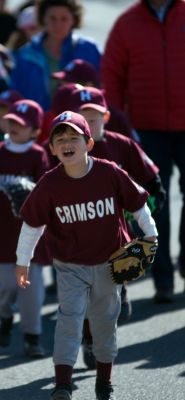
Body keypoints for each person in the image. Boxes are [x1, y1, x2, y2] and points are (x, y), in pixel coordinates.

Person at [15, 111, 158, 400]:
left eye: (74, 138)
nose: (67, 144)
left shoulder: (109, 172)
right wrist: (23, 261)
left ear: (88, 143)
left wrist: (151, 234)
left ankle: (104, 383)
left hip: (110, 264)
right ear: (52, 149)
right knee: (69, 320)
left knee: (105, 324)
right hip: (70, 266)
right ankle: (63, 385)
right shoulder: (49, 184)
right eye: (60, 139)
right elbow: (32, 225)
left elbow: (138, 202)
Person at [69, 86, 165, 370]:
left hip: (118, 237)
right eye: (82, 118)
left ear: (106, 117)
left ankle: (118, 298)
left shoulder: (122, 145)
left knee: (111, 302)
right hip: (81, 236)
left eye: (95, 117)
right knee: (88, 293)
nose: (90, 123)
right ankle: (90, 341)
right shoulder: (67, 150)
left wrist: (149, 210)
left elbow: (152, 182)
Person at [101, 0, 185, 303]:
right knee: (153, 205)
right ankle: (162, 278)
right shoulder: (127, 23)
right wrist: (120, 126)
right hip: (146, 131)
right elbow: (111, 76)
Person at [0, 99, 50, 358]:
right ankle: (5, 314)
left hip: (29, 234)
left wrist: (30, 190)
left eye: (21, 124)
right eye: (11, 121)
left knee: (30, 288)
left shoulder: (37, 155)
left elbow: (46, 188)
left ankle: (32, 337)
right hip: (0, 231)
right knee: (7, 285)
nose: (13, 126)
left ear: (35, 131)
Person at [10, 0, 101, 111]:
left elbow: (101, 88)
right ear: (43, 18)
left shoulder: (89, 49)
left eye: (64, 19)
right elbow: (16, 93)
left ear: (74, 20)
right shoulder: (26, 54)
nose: (58, 25)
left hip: (81, 123)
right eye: (52, 18)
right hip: (37, 125)